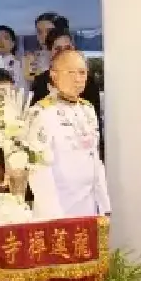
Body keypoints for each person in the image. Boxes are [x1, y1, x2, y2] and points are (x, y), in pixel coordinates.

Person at [26, 50, 109, 218]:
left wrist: (105, 204)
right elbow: (39, 172)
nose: (78, 79)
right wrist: (55, 217)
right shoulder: (41, 113)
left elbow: (95, 159)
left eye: (82, 72)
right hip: (59, 211)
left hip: (90, 208)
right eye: (71, 73)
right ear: (54, 75)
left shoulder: (88, 109)